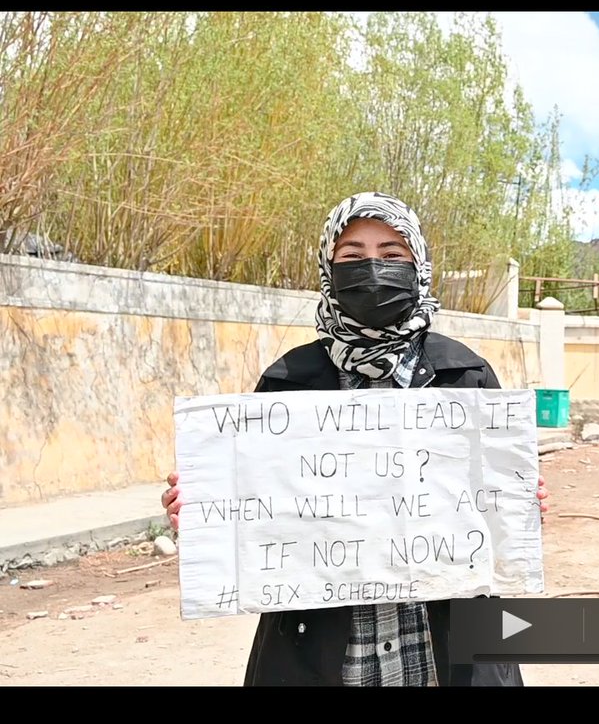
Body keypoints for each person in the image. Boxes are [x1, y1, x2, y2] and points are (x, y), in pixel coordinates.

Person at [161, 191, 549, 686]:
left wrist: (521, 505)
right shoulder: (286, 384)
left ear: (419, 266)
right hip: (324, 658)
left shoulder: (467, 378)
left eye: (391, 255)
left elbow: (493, 513)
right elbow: (252, 514)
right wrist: (200, 511)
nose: (372, 270)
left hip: (447, 657)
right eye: (352, 257)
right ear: (328, 270)